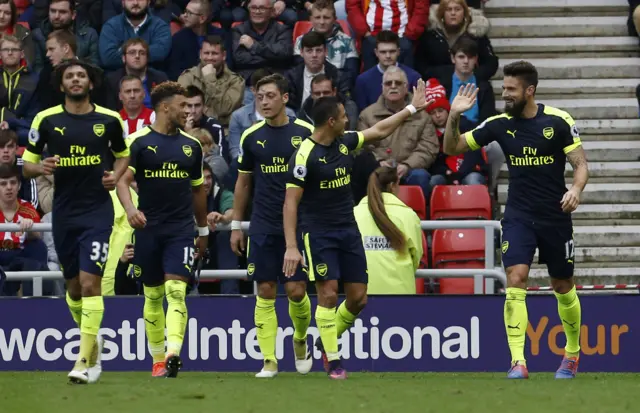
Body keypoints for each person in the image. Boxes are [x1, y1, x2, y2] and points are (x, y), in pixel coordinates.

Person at [442, 61, 589, 380]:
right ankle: (518, 361)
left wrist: (576, 189)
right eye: (504, 88)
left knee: (562, 285)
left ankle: (573, 353)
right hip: (519, 216)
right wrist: (454, 115)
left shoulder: (558, 121)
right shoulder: (497, 124)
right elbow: (451, 147)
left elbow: (580, 165)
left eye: (511, 90)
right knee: (516, 278)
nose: (505, 95)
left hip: (555, 215)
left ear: (529, 91)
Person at [283, 79, 429, 379]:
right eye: (343, 115)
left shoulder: (345, 142)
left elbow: (379, 130)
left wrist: (412, 107)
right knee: (327, 294)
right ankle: (334, 360)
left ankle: (325, 340)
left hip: (347, 231)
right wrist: (292, 246)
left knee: (358, 298)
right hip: (318, 232)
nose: (349, 119)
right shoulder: (303, 155)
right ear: (331, 121)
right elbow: (290, 204)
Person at [22, 58, 130, 384]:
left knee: (89, 283)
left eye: (81, 75)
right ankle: (92, 342)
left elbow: (124, 155)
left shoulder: (109, 120)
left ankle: (82, 362)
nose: (76, 80)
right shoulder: (46, 119)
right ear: (62, 85)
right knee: (73, 289)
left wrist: (116, 176)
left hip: (98, 212)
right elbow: (26, 165)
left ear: (90, 83)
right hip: (64, 213)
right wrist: (42, 168)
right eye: (70, 76)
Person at [116, 81, 208, 379]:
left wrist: (203, 230)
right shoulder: (139, 141)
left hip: (180, 229)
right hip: (148, 229)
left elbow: (198, 193)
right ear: (165, 107)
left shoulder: (191, 146)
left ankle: (173, 353)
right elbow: (121, 180)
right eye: (182, 106)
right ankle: (157, 359)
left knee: (176, 290)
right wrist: (131, 210)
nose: (188, 111)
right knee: (153, 296)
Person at [231, 73, 314, 378]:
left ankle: (301, 339)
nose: (264, 102)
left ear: (285, 98)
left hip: (300, 224)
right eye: (259, 97)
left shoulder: (306, 133)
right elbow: (243, 183)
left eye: (269, 96)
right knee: (265, 289)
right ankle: (269, 361)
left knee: (295, 291)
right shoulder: (251, 137)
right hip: (263, 223)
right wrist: (237, 225)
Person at [354, 166, 423, 294]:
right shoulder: (408, 215)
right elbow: (416, 256)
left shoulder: (354, 214)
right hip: (401, 293)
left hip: (360, 295)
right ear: (392, 185)